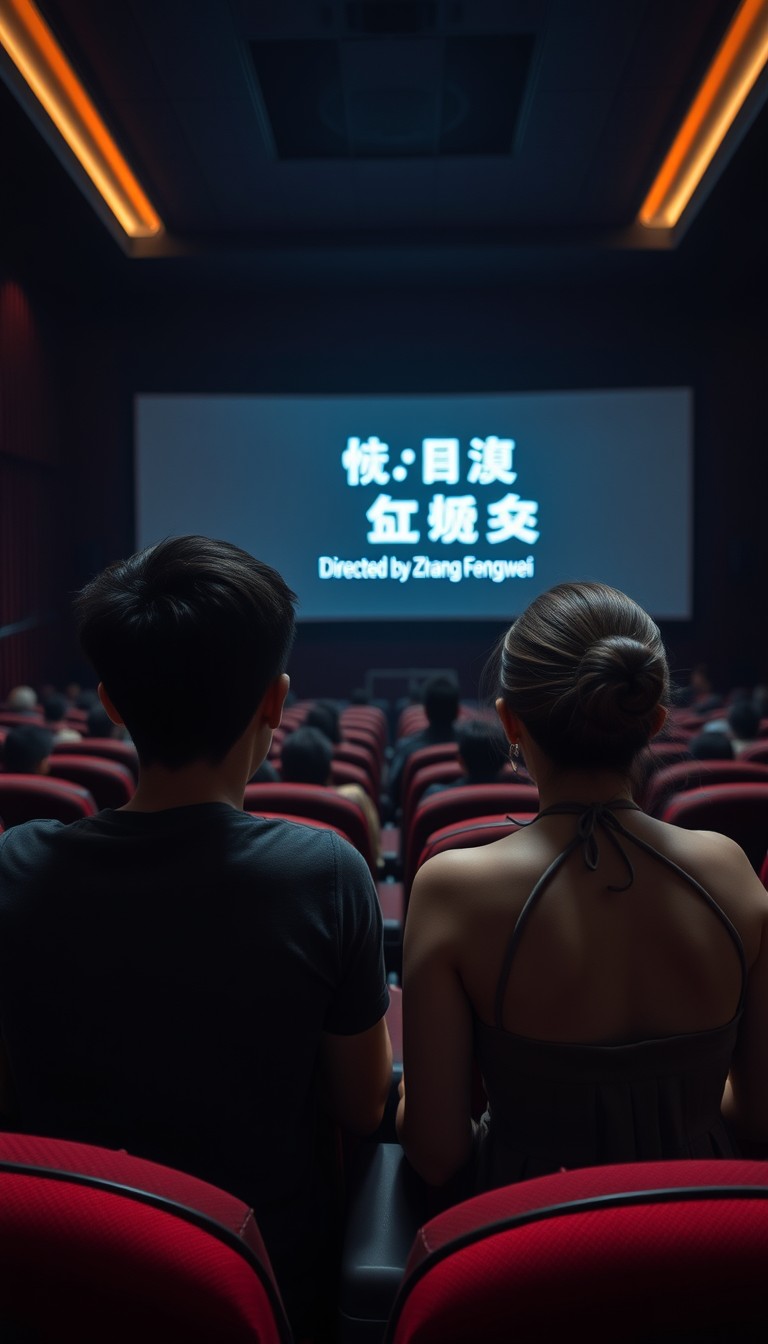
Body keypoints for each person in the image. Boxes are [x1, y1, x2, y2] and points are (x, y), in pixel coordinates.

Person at [0, 535, 392, 1340]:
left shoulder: (14, 865)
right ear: (275, 702)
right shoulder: (323, 872)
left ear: (109, 701)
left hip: (53, 1287)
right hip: (257, 1291)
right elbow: (362, 1106)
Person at [397, 581, 768, 1195]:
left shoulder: (452, 889)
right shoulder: (731, 870)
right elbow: (759, 1115)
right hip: (702, 1237)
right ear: (653, 717)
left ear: (509, 721)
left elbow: (437, 1155)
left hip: (530, 1234)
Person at [280, 724, 383, 868]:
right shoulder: (353, 799)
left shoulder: (261, 801)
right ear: (329, 771)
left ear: (283, 772)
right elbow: (374, 858)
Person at [386, 674, 461, 813]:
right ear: (458, 711)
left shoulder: (407, 750)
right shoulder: (474, 749)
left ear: (425, 711)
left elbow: (394, 798)